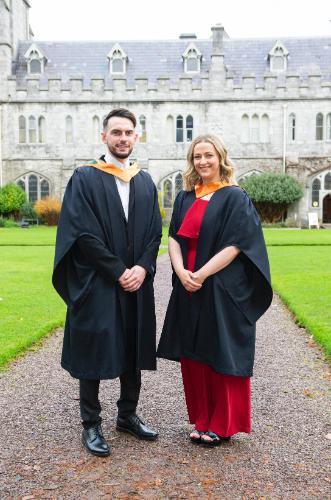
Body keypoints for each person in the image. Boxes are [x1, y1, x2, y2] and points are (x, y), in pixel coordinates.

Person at [53, 108, 162, 457]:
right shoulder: (85, 178)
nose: (123, 138)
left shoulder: (145, 180)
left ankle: (127, 414)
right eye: (116, 132)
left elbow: (154, 233)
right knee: (95, 347)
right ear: (104, 136)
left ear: (137, 136)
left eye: (129, 132)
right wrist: (118, 270)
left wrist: (143, 268)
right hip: (99, 281)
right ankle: (91, 423)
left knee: (133, 343)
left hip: (136, 281)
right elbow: (82, 233)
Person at [157, 134, 272, 446]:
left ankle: (223, 424)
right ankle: (202, 419)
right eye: (197, 156)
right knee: (194, 353)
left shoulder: (235, 197)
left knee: (221, 352)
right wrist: (181, 272)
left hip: (220, 285)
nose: (203, 161)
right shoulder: (185, 198)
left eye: (208, 155)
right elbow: (174, 238)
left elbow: (237, 245)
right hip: (189, 285)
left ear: (221, 158)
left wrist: (202, 274)